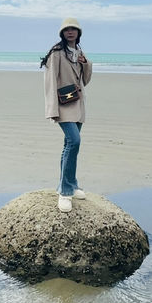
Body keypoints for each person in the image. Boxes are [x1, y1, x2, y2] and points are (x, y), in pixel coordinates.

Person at [41, 17, 93, 212]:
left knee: (69, 145)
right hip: (63, 105)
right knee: (74, 141)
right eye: (67, 30)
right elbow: (50, 82)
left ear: (79, 33)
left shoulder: (79, 52)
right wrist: (52, 109)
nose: (70, 32)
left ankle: (71, 183)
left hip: (78, 104)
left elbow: (85, 80)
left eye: (74, 29)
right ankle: (64, 192)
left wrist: (85, 63)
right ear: (62, 33)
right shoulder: (56, 53)